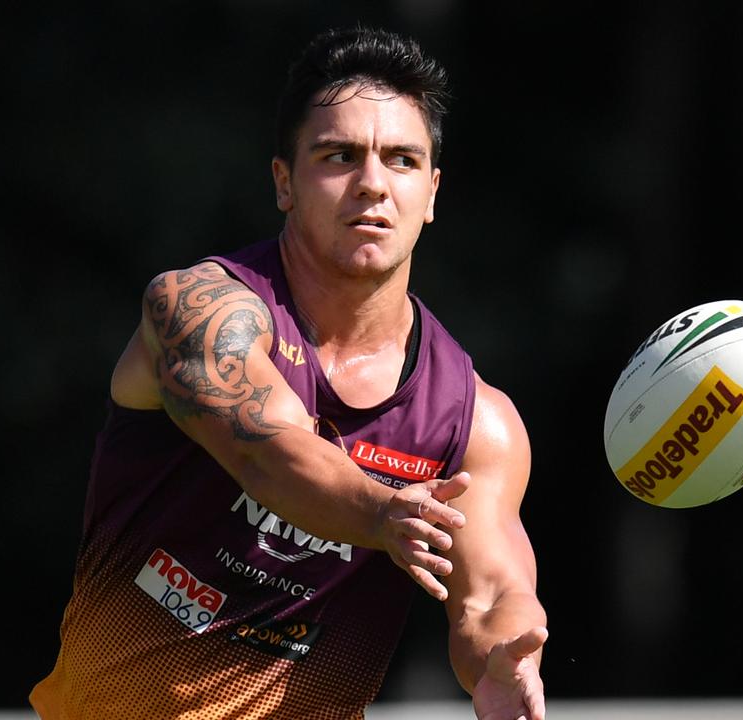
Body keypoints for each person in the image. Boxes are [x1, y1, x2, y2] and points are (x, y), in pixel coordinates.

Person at [30, 26, 548, 720]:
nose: (372, 184)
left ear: (430, 193)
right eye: (339, 156)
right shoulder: (198, 309)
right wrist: (385, 511)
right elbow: (269, 452)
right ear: (284, 181)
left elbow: (488, 595)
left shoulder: (476, 422)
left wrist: (504, 654)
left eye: (400, 160)